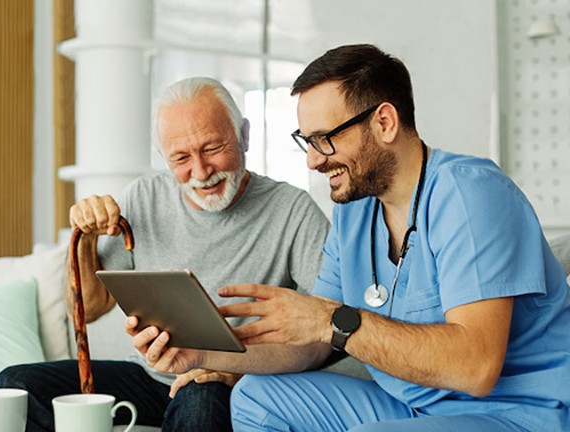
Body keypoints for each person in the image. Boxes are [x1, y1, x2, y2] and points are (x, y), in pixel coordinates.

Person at [132, 45, 570, 432]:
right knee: (255, 399)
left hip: (513, 412)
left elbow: (476, 367)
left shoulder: (471, 195)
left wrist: (332, 319)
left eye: (324, 140)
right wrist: (202, 355)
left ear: (383, 122)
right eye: (307, 142)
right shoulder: (355, 212)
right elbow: (308, 344)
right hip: (411, 404)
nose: (313, 162)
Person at [0, 77, 330, 431]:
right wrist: (88, 239)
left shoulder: (292, 209)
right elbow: (89, 309)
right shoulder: (143, 196)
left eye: (213, 148)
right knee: (16, 383)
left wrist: (241, 368)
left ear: (244, 135)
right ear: (164, 158)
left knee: (201, 395)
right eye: (181, 158)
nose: (200, 172)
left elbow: (328, 325)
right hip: (150, 375)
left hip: (231, 380)